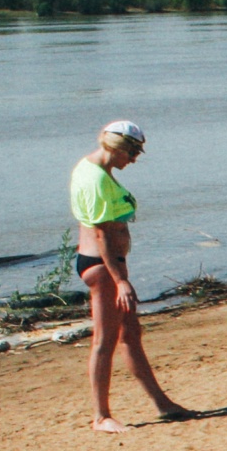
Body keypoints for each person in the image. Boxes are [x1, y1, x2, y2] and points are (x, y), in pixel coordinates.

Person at [72, 121, 191, 432]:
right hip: (103, 266)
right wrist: (121, 280)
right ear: (119, 147)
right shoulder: (97, 179)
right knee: (105, 340)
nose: (134, 159)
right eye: (133, 152)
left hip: (106, 263)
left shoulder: (89, 168)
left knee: (130, 334)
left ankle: (162, 403)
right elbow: (101, 234)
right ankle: (101, 416)